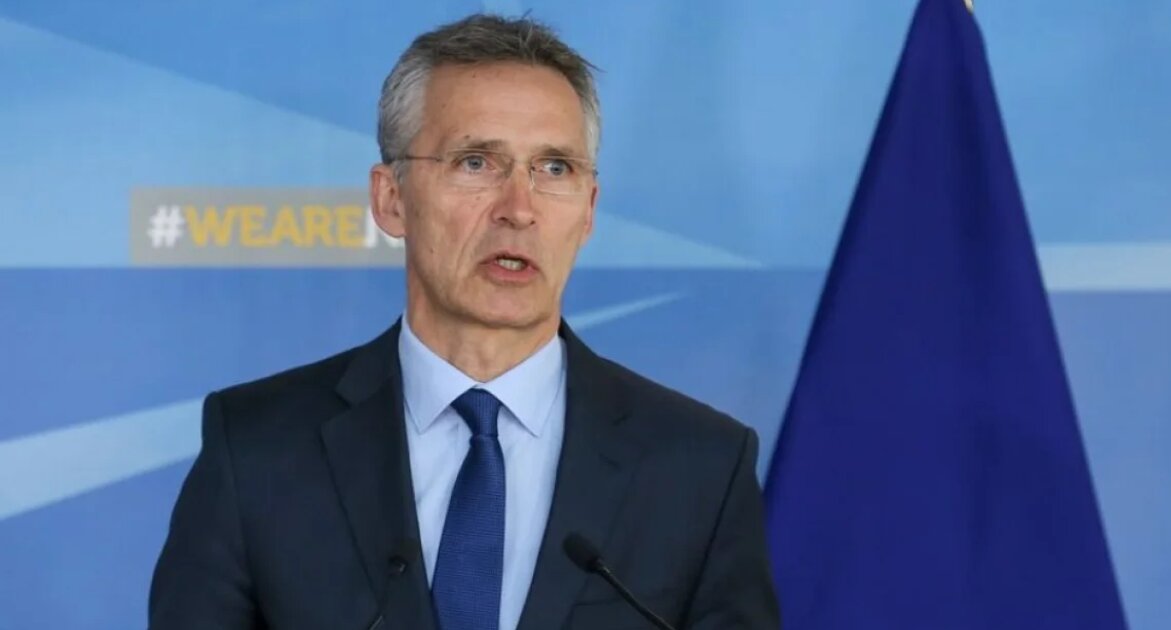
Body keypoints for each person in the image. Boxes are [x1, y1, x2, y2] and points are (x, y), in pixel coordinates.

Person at [149, 13, 779, 630]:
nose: (519, 208)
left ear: (588, 210)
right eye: (476, 162)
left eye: (554, 168)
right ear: (391, 199)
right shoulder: (258, 449)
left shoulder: (699, 467)